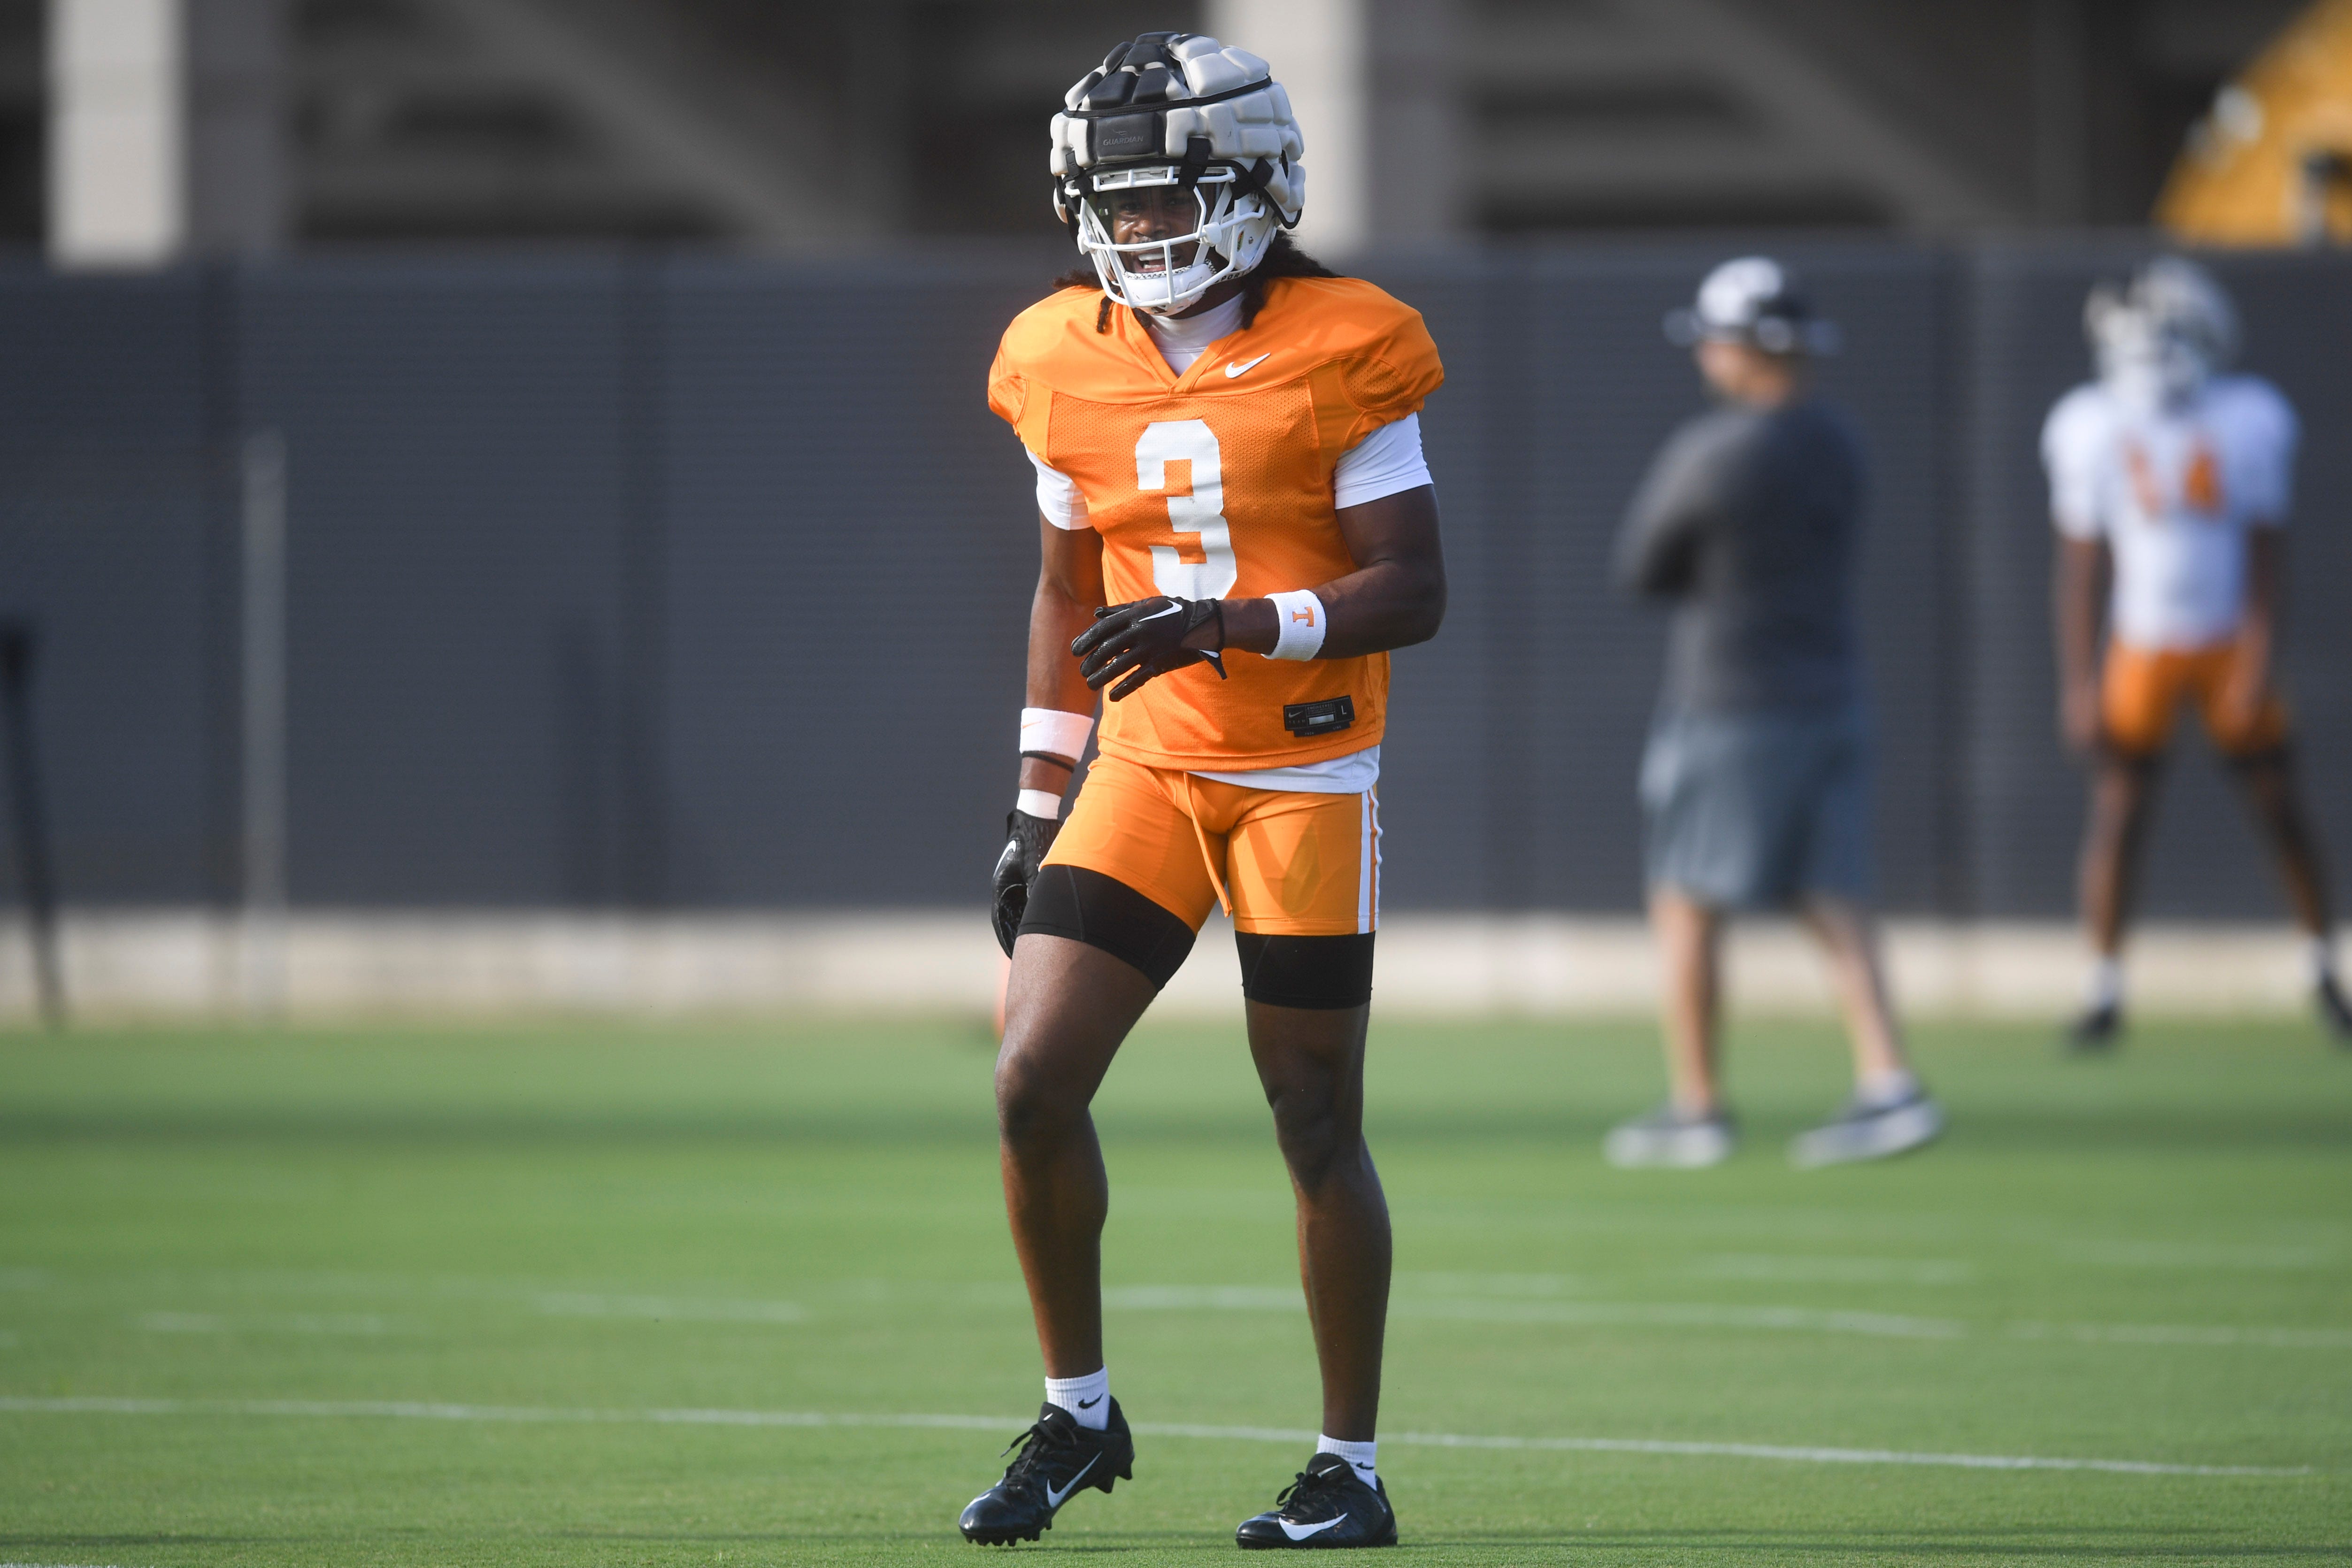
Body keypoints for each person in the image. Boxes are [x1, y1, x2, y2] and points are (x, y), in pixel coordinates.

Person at [964, 31, 1446, 1550]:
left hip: (1302, 771)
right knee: (1031, 1080)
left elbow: (1412, 588)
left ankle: (1348, 1467)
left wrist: (1232, 623)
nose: (1139, 230)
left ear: (1252, 188)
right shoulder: (1060, 351)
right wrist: (1036, 800)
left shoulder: (1349, 341)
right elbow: (1065, 591)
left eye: (1166, 200)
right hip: (1147, 768)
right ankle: (1078, 1410)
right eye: (1115, 205)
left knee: (1311, 1117)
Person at [1602, 257, 1945, 1170]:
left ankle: (1698, 1104)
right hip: (1832, 692)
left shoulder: (1717, 449)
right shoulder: (1840, 439)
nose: (1705, 356)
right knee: (1832, 893)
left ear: (1749, 348)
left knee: (1684, 897)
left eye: (1717, 340)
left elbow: (1640, 567)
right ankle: (1888, 1080)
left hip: (1731, 700)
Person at [2044, 257, 2351, 1048]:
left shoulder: (2247, 417)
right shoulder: (2091, 424)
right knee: (2118, 812)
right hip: (2140, 641)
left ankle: (2322, 968)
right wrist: (2078, 682)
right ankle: (2102, 988)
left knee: (2278, 807)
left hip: (2223, 640)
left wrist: (2258, 656)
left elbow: (2266, 553)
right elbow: (2081, 567)